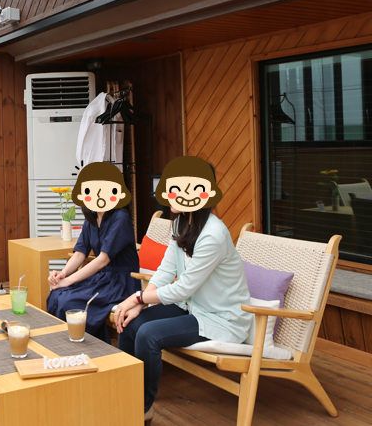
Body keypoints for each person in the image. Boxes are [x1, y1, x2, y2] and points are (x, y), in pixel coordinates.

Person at [114, 156, 252, 423]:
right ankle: (125, 394)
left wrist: (138, 297)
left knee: (149, 335)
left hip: (220, 318)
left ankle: (143, 407)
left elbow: (183, 288)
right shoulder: (180, 223)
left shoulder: (213, 235)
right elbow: (166, 270)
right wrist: (141, 304)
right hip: (191, 307)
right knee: (130, 323)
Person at [47, 163, 140, 340]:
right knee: (56, 295)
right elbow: (80, 252)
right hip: (102, 278)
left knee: (69, 301)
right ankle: (62, 344)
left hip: (121, 282)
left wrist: (68, 281)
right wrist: (62, 274)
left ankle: (87, 345)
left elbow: (102, 260)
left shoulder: (120, 218)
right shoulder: (91, 217)